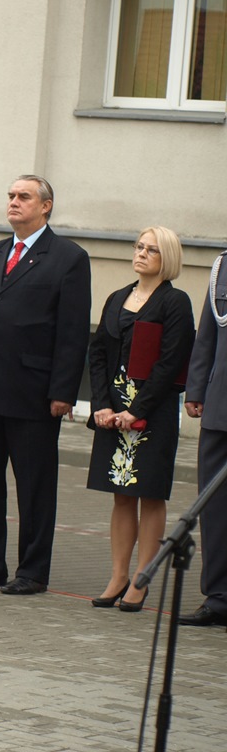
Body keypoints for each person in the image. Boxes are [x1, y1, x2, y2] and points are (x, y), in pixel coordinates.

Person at [0, 175, 91, 594]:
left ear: (45, 206)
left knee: (34, 488)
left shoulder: (68, 257)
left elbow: (72, 331)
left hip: (33, 393)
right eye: (10, 195)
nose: (13, 201)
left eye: (23, 196)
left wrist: (63, 391)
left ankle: (32, 571)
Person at [86, 228, 193, 612]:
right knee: (121, 493)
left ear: (168, 259)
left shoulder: (175, 302)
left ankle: (141, 578)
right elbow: (98, 353)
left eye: (152, 250)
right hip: (114, 412)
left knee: (149, 493)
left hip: (151, 413)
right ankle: (118, 575)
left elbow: (170, 363)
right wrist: (101, 404)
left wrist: (137, 410)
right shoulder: (117, 297)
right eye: (139, 247)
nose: (142, 254)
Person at [182, 249, 227, 627]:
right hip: (220, 406)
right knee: (214, 509)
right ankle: (219, 597)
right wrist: (196, 390)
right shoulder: (222, 266)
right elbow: (207, 335)